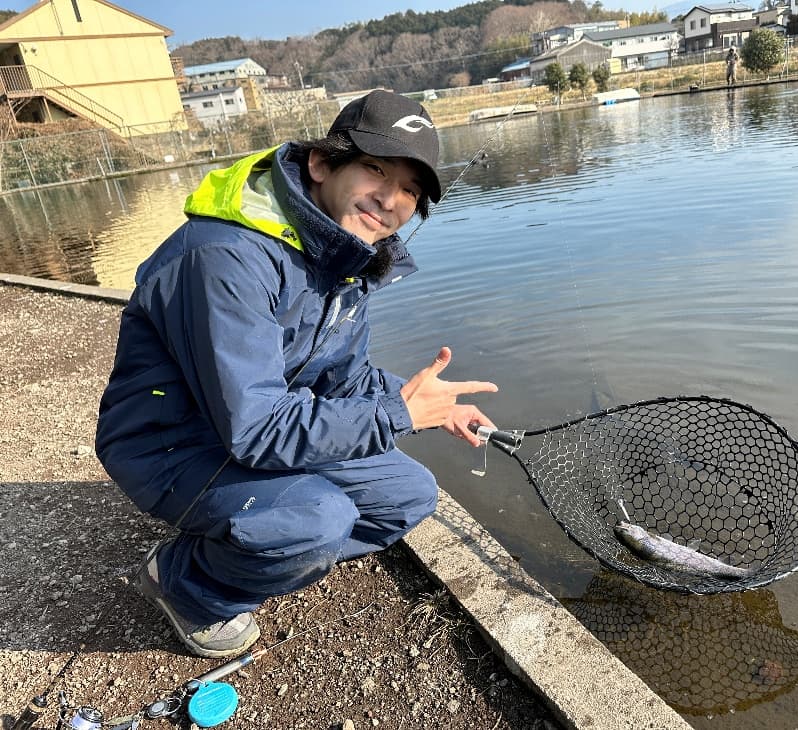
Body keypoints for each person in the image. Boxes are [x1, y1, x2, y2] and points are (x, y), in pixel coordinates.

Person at [95, 90, 498, 659]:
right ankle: (185, 584)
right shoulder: (225, 258)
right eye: (375, 171)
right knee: (317, 519)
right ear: (321, 163)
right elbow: (257, 428)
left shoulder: (342, 257)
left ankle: (250, 540)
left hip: (238, 424)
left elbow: (339, 378)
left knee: (407, 495)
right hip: (170, 443)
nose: (389, 200)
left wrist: (415, 400)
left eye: (409, 189)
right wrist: (396, 415)